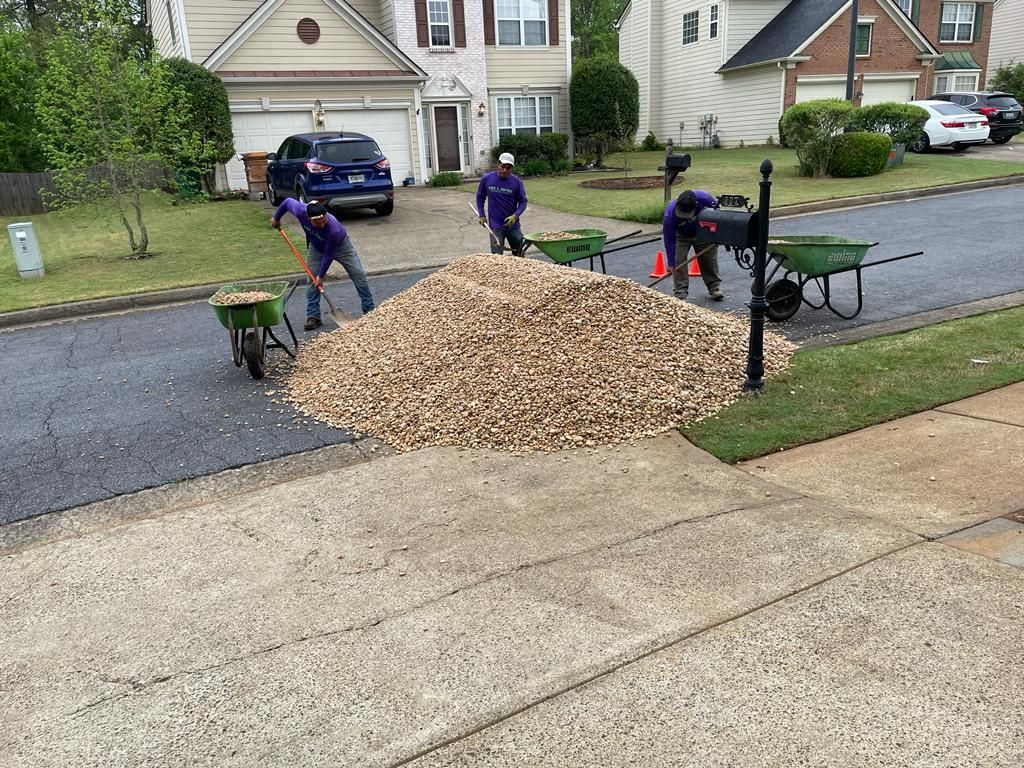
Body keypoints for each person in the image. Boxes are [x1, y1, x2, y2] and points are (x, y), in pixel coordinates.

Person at [271, 199, 375, 330]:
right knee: (312, 280)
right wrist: (276, 218)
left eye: (324, 221)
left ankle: (369, 309)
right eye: (317, 223)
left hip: (342, 247)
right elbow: (286, 202)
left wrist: (321, 276)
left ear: (326, 215)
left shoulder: (333, 230)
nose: (321, 225)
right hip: (316, 248)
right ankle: (313, 316)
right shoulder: (300, 210)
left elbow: (329, 255)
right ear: (308, 218)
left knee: (358, 275)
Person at [661, 189, 725, 301]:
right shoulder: (670, 215)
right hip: (681, 236)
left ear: (696, 205)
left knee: (709, 260)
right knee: (678, 262)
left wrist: (717, 237)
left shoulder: (705, 199)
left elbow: (718, 217)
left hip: (703, 233)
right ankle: (680, 293)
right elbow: (669, 240)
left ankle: (714, 288)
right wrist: (671, 263)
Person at [475, 152, 528, 256]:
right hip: (495, 226)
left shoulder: (516, 182)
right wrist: (482, 215)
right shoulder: (487, 179)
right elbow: (480, 197)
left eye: (508, 168)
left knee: (519, 255)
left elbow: (523, 202)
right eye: (503, 166)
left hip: (513, 226)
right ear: (497, 164)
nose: (505, 170)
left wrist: (515, 216)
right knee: (497, 258)